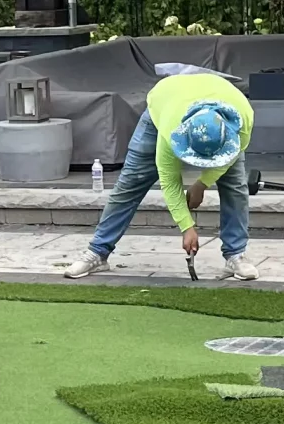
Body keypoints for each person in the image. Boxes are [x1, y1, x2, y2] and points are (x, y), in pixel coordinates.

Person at [65, 69, 259, 280]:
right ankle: (98, 252)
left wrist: (202, 183)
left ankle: (236, 255)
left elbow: (228, 159)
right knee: (131, 182)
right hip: (165, 102)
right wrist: (187, 226)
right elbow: (169, 180)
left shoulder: (242, 120)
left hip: (218, 95)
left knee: (235, 186)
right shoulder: (170, 127)